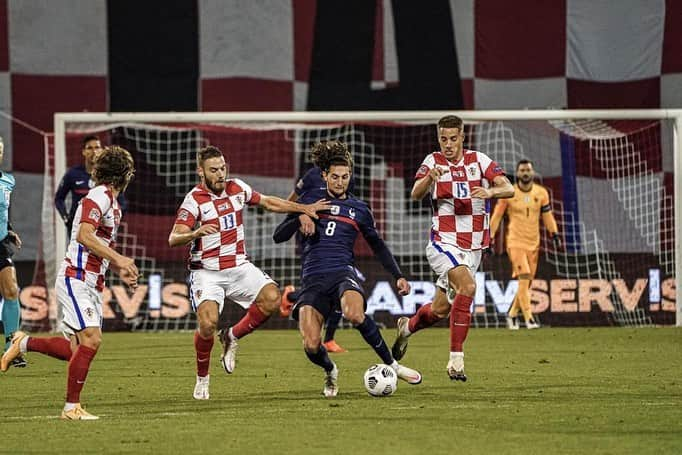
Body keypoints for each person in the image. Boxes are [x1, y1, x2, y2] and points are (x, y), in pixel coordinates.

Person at [168, 145, 329, 400]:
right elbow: (174, 238)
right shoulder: (193, 201)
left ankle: (232, 336)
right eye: (214, 170)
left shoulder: (237, 188)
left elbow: (268, 202)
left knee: (273, 298)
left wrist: (303, 208)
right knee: (207, 324)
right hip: (207, 272)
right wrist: (195, 233)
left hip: (238, 266)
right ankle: (202, 379)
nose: (220, 174)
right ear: (201, 172)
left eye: (223, 168)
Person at [273, 141, 422, 398]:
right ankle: (330, 371)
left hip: (343, 272)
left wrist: (398, 275)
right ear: (324, 176)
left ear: (350, 176)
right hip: (313, 279)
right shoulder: (309, 200)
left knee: (354, 313)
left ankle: (393, 365)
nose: (340, 182)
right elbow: (278, 236)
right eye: (335, 177)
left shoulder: (360, 209)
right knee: (311, 345)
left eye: (345, 177)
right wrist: (300, 215)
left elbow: (378, 245)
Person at [2, 145, 138, 420]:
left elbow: (98, 244)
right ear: (123, 174)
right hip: (76, 276)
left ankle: (23, 342)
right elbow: (84, 235)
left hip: (92, 281)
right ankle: (70, 408)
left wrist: (116, 266)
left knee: (75, 348)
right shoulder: (98, 197)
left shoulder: (111, 202)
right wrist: (121, 260)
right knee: (92, 339)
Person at [391, 115, 514, 381]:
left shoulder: (478, 160)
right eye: (443, 139)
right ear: (438, 138)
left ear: (462, 136)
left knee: (440, 309)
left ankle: (406, 327)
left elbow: (509, 188)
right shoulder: (432, 161)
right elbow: (415, 193)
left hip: (474, 248)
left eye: (453, 138)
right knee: (468, 287)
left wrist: (490, 192)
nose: (448, 144)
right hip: (443, 242)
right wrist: (430, 179)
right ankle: (456, 361)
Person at [279, 145, 360, 353]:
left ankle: (327, 336)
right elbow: (292, 200)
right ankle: (295, 299)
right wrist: (301, 213)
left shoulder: (343, 176)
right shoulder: (312, 176)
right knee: (324, 283)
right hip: (311, 233)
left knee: (340, 284)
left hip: (337, 237)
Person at [490, 159, 560, 330]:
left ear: (533, 172)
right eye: (522, 170)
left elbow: (547, 215)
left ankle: (512, 315)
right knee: (524, 276)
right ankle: (529, 319)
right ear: (518, 173)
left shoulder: (541, 193)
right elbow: (497, 215)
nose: (525, 173)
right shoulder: (509, 192)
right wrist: (490, 236)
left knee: (526, 282)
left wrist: (554, 233)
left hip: (534, 244)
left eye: (528, 170)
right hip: (515, 242)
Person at [55, 135, 127, 236]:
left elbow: (122, 204)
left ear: (102, 150)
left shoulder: (110, 175)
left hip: (102, 229)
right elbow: (59, 199)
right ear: (83, 152)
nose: (94, 151)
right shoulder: (73, 174)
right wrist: (66, 218)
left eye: (97, 147)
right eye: (90, 148)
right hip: (77, 227)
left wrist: (110, 218)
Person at [0, 136, 25, 368]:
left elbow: (4, 211)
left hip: (0, 243)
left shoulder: (8, 180)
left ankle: (11, 347)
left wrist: (10, 229)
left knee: (11, 289)